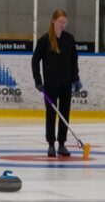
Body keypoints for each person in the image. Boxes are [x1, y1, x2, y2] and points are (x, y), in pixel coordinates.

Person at [31, 9, 81, 157]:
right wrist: (38, 81)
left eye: (64, 22)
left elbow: (74, 60)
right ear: (54, 21)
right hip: (50, 85)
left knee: (64, 114)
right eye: (60, 22)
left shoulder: (69, 39)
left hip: (66, 84)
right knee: (51, 114)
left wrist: (75, 78)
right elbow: (35, 60)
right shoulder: (45, 40)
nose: (62, 25)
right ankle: (51, 144)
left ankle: (62, 144)